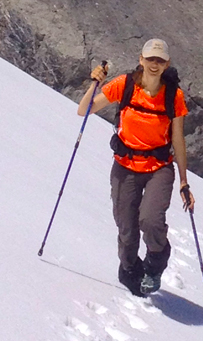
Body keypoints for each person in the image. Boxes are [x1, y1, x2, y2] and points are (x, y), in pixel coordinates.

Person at [79, 39, 194, 297]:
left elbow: (178, 139)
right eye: (150, 59)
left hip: (158, 168)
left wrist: (184, 181)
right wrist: (94, 84)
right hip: (125, 166)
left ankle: (155, 263)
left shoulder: (173, 96)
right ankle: (130, 271)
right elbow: (84, 110)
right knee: (126, 228)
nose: (155, 64)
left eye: (160, 60)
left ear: (167, 64)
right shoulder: (125, 85)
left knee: (150, 220)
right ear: (141, 59)